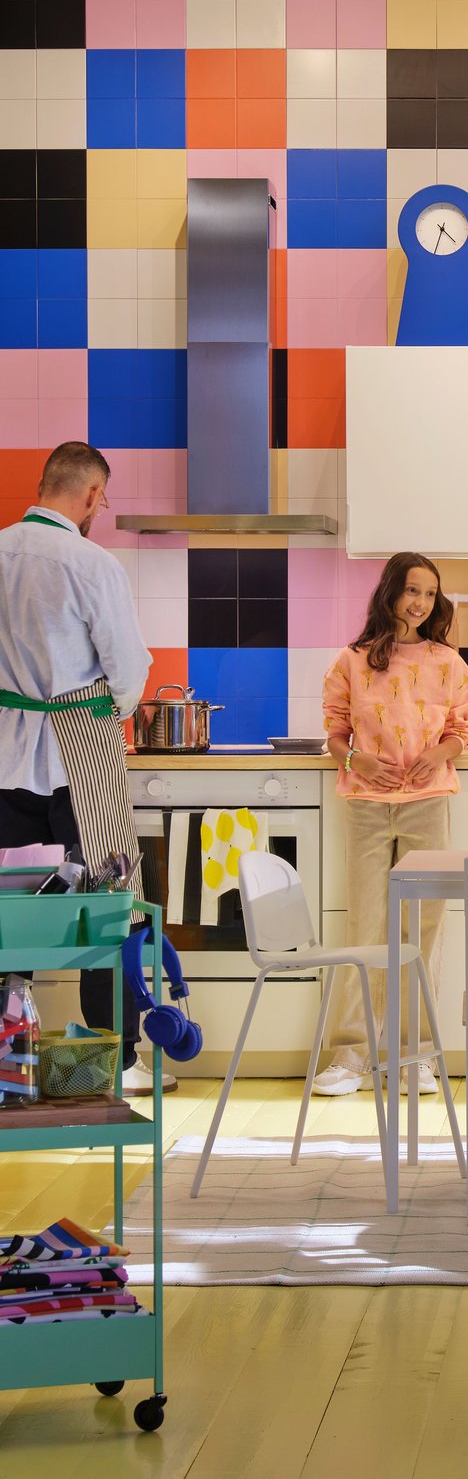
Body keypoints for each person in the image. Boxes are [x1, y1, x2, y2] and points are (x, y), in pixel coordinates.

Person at [0, 443, 155, 1091]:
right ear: (91, 495)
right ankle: (116, 1064)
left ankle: (10, 1060)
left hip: (5, 758)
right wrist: (113, 707)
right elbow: (128, 672)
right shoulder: (93, 564)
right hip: (78, 758)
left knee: (8, 911)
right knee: (108, 904)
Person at [317, 552, 468, 1096]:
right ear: (390, 592)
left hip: (427, 801)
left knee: (424, 929)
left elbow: (460, 730)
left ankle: (417, 1056)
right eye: (412, 590)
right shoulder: (351, 661)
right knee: (364, 927)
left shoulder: (448, 662)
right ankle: (351, 1054)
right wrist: (354, 759)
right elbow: (335, 733)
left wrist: (440, 754)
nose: (421, 603)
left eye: (430, 594)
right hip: (366, 802)